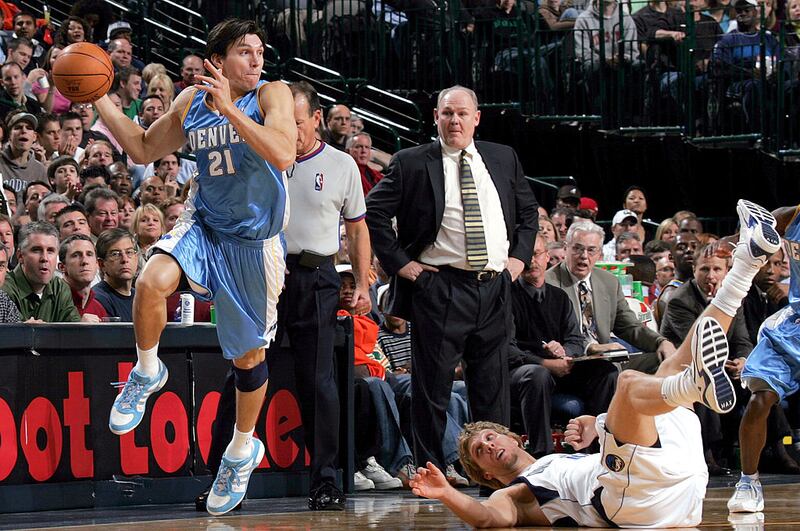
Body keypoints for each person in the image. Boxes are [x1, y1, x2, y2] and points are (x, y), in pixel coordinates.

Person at [410, 200, 781, 528]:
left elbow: (605, 448)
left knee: (677, 359)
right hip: (635, 502)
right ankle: (693, 385)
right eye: (480, 452)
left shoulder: (556, 460)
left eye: (489, 437)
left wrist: (597, 423)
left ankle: (746, 264)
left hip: (679, 480)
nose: (489, 446)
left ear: (512, 435)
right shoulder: (513, 495)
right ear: (486, 475)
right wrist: (446, 495)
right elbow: (491, 519)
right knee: (631, 382)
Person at [94, 18, 296, 516]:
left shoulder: (273, 94)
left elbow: (284, 153)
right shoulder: (188, 102)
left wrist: (229, 107)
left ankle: (241, 449)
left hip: (254, 243)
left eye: (259, 51)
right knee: (150, 280)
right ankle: (146, 370)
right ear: (218, 60)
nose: (257, 60)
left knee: (248, 360)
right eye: (245, 52)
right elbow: (142, 148)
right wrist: (97, 96)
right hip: (204, 224)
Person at [366, 85, 539, 478]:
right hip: (439, 287)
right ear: (435, 118)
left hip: (495, 286)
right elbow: (373, 212)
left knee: (493, 390)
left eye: (462, 113)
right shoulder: (412, 162)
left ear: (477, 118)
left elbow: (528, 213)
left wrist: (518, 259)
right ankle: (432, 473)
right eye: (447, 114)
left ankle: (497, 479)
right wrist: (403, 265)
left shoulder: (502, 157)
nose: (454, 120)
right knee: (432, 392)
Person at [728, 201, 800, 512]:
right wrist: (729, 243)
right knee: (761, 395)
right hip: (794, 326)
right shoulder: (792, 215)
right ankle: (748, 481)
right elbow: (755, 234)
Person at [1, 222, 81, 322]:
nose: (45, 258)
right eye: (36, 250)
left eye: (50, 251)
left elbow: (74, 331)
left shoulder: (59, 288)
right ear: (20, 256)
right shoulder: (4, 289)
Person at [58, 234, 105, 320]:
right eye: (76, 255)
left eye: (89, 254)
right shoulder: (52, 303)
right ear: (62, 267)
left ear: (97, 264)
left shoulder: (98, 308)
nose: (85, 261)